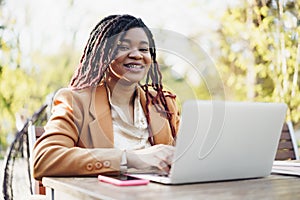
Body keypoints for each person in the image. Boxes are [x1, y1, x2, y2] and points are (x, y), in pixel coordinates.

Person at [33, 14, 180, 180]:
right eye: (123, 47)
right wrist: (131, 159)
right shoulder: (77, 102)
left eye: (144, 49)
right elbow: (44, 159)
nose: (137, 55)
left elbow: (189, 155)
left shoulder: (163, 103)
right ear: (101, 54)